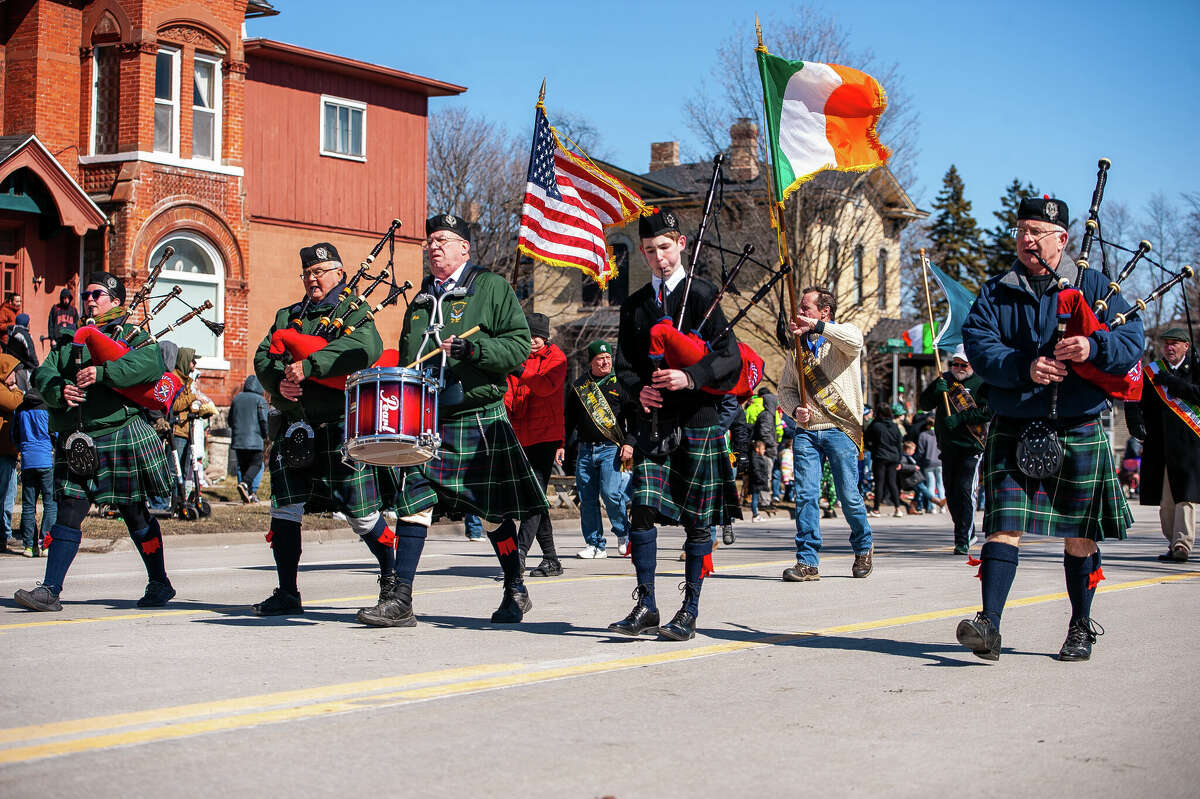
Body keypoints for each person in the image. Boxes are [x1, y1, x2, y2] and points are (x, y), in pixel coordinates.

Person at [955, 196, 1143, 662]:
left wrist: (1092, 346)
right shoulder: (997, 290)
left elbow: (1131, 340)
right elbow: (979, 346)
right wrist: (1025, 366)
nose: (1026, 238)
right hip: (1016, 421)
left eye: (1037, 231)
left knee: (1080, 532)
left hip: (1076, 421)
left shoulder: (1096, 286)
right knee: (1002, 524)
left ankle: (1080, 626)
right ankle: (989, 626)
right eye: (1022, 229)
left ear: (1062, 239)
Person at [371, 213, 548, 627]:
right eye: (430, 241)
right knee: (412, 504)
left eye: (445, 240)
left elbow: (519, 347)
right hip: (428, 419)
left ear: (464, 248)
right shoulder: (418, 301)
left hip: (477, 415)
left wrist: (475, 351)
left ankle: (514, 587)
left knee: (491, 513)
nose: (435, 247)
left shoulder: (490, 287)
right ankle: (401, 600)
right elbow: (409, 357)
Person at [608, 208, 742, 641]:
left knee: (697, 520)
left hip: (699, 420)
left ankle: (689, 609)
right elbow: (625, 367)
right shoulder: (635, 305)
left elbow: (731, 360)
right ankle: (646, 604)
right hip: (654, 423)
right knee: (642, 510)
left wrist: (692, 377)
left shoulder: (704, 295)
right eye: (649, 250)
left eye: (664, 247)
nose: (657, 257)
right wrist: (636, 391)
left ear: (681, 244)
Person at [251, 242, 401, 617]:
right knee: (285, 510)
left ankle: (392, 580)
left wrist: (312, 365)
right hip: (296, 424)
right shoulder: (288, 315)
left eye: (320, 272)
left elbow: (365, 348)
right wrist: (277, 383)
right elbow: (264, 355)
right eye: (307, 273)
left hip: (338, 426)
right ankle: (288, 591)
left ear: (339, 273)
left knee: (361, 515)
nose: (312, 279)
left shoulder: (354, 311)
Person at [13, 272, 176, 611]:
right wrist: (60, 391)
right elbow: (45, 373)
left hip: (121, 434)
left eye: (97, 294)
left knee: (135, 514)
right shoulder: (70, 339)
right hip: (81, 441)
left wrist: (103, 373)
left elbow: (149, 366)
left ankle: (159, 583)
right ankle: (50, 589)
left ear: (115, 301)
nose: (89, 299)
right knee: (69, 511)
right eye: (86, 293)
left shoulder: (133, 335)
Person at [777, 286, 874, 581]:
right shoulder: (798, 348)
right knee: (806, 495)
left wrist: (818, 327)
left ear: (824, 312)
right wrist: (795, 411)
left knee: (848, 496)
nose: (800, 313)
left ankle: (863, 546)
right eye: (800, 309)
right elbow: (785, 390)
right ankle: (807, 561)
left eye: (806, 308)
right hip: (807, 430)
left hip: (840, 428)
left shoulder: (844, 337)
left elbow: (855, 340)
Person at [505, 312, 567, 576]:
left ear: (546, 336)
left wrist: (520, 370)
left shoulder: (557, 358)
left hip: (545, 436)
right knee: (536, 499)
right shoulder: (516, 357)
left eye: (538, 335)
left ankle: (518, 555)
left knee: (534, 496)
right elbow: (508, 395)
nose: (533, 340)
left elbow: (543, 387)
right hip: (520, 434)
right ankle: (551, 559)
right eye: (528, 335)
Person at [919, 346, 993, 554]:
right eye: (956, 364)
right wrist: (935, 390)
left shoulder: (982, 383)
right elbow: (924, 404)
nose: (959, 368)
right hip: (948, 447)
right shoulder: (945, 380)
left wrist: (961, 418)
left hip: (971, 447)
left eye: (964, 364)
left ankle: (962, 539)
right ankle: (966, 531)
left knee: (964, 492)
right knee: (951, 495)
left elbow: (988, 411)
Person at [564, 339, 632, 559]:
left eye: (608, 358)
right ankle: (595, 544)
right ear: (591, 361)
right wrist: (561, 445)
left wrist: (629, 443)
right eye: (600, 359)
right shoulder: (580, 386)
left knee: (611, 493)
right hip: (585, 449)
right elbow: (568, 420)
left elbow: (636, 417)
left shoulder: (620, 383)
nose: (605, 362)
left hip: (611, 448)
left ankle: (623, 533)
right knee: (587, 498)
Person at [1138, 327, 1198, 562]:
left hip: (1187, 444)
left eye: (1174, 343)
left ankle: (1183, 544)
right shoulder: (1153, 372)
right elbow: (1139, 403)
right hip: (1160, 445)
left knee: (1185, 497)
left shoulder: (1194, 370)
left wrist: (1174, 383)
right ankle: (1173, 542)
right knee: (1166, 502)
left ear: (1186, 346)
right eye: (1166, 344)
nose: (1169, 348)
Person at [13, 367, 55, 556]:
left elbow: (14, 434)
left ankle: (29, 546)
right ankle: (45, 543)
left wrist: (22, 448)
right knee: (50, 503)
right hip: (46, 458)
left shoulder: (21, 408)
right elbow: (54, 432)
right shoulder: (47, 406)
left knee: (28, 505)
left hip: (28, 460)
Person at [228, 375, 269, 503]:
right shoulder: (260, 400)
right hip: (255, 440)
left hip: (238, 440)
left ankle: (249, 495)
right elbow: (264, 420)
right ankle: (245, 484)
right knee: (256, 464)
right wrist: (266, 434)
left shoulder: (237, 399)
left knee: (244, 466)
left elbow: (230, 420)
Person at [864, 404, 903, 518]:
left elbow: (866, 439)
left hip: (880, 456)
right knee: (892, 482)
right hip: (894, 457)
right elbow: (899, 443)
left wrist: (873, 449)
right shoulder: (894, 426)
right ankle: (898, 508)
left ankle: (876, 509)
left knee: (879, 483)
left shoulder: (875, 425)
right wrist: (899, 459)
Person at [748, 386, 779, 522]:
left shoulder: (768, 415)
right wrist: (773, 444)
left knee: (767, 476)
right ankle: (764, 501)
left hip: (767, 449)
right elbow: (765, 433)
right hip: (766, 450)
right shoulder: (766, 415)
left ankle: (764, 500)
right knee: (765, 476)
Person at [0, 355, 22, 552]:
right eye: (12, 371)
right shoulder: (2, 390)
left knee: (9, 495)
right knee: (5, 495)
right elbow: (18, 403)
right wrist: (17, 390)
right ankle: (4, 535)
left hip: (8, 451)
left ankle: (4, 534)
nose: (14, 375)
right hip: (2, 452)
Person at [915, 414, 944, 512]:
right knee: (941, 485)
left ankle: (932, 507)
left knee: (930, 485)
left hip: (928, 462)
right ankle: (942, 507)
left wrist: (918, 460)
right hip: (940, 461)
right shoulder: (940, 433)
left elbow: (920, 451)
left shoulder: (923, 435)